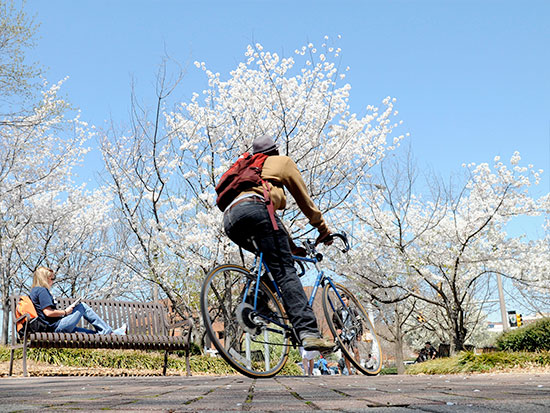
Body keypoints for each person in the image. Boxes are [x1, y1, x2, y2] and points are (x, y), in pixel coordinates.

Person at [223, 135, 334, 352]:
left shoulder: (247, 170)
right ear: (275, 150)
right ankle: (309, 332)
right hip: (257, 210)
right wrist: (323, 229)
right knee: (285, 271)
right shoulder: (281, 162)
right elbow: (305, 201)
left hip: (231, 219)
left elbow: (272, 222)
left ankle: (253, 303)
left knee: (275, 262)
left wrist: (290, 247)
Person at [29, 266, 126, 335]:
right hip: (56, 327)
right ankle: (107, 331)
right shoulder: (42, 291)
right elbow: (48, 312)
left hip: (52, 328)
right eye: (52, 278)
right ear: (45, 278)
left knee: (92, 334)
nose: (53, 281)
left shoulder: (34, 291)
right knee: (82, 306)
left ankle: (115, 334)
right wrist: (65, 312)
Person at [332, 293, 363, 374]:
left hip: (353, 332)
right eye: (342, 301)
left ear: (348, 300)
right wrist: (337, 329)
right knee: (345, 353)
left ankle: (358, 369)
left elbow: (359, 321)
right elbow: (334, 321)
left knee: (356, 351)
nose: (343, 302)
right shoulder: (338, 311)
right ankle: (349, 370)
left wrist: (360, 333)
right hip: (343, 334)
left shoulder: (353, 310)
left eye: (345, 300)